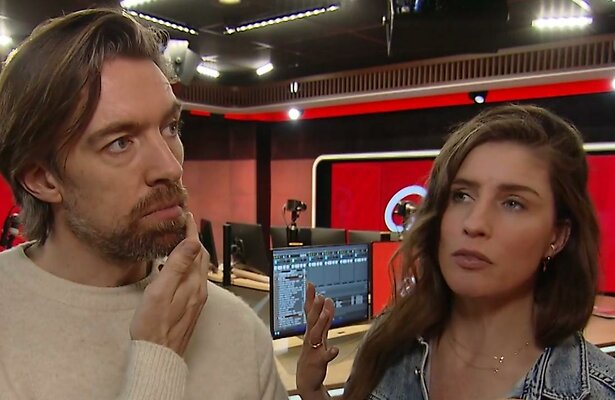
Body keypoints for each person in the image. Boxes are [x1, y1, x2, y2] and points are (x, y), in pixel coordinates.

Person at [0, 8, 286, 400]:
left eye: (170, 128)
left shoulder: (239, 328)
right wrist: (158, 357)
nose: (170, 167)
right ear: (43, 179)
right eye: (120, 142)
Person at [297, 104, 615, 399]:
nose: (474, 223)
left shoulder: (598, 390)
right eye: (461, 195)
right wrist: (313, 391)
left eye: (513, 203)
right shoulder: (389, 341)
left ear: (557, 236)